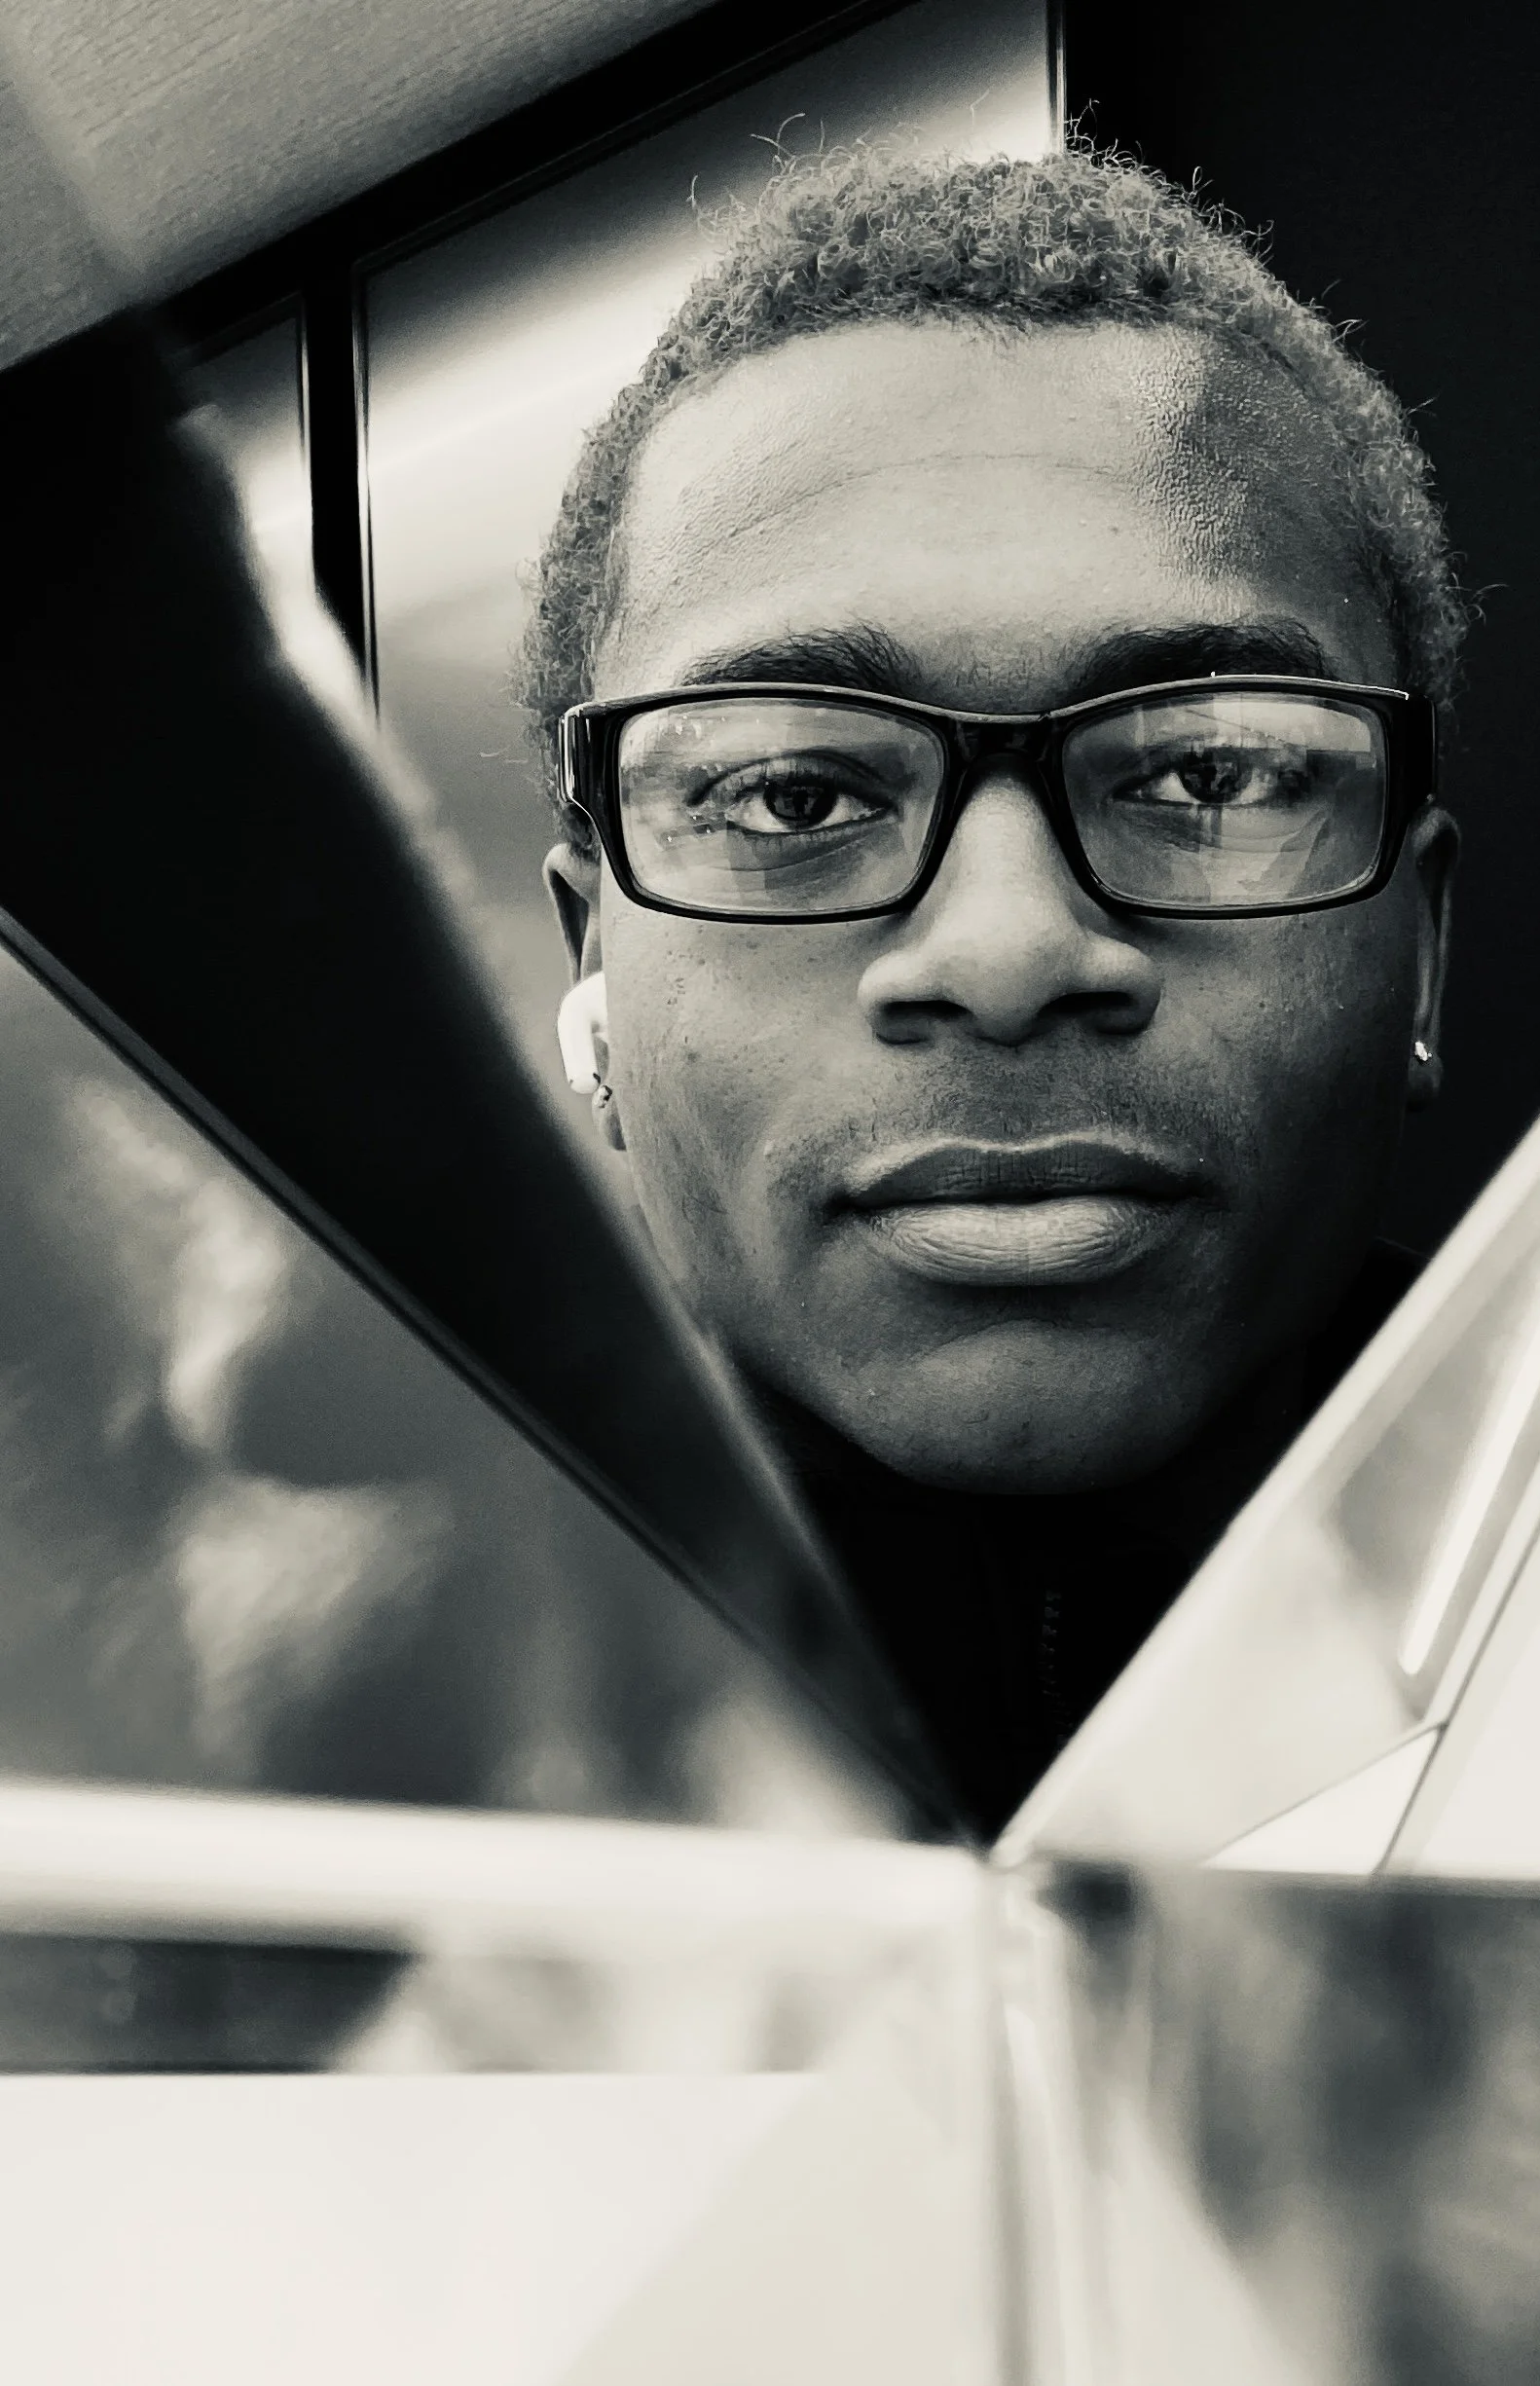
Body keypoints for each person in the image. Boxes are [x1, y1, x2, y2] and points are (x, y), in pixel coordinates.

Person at [520, 144, 1464, 1836]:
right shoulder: (289, 1747)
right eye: (793, 795)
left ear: (1425, 943)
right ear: (595, 949)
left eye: (1206, 775)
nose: (1008, 953)